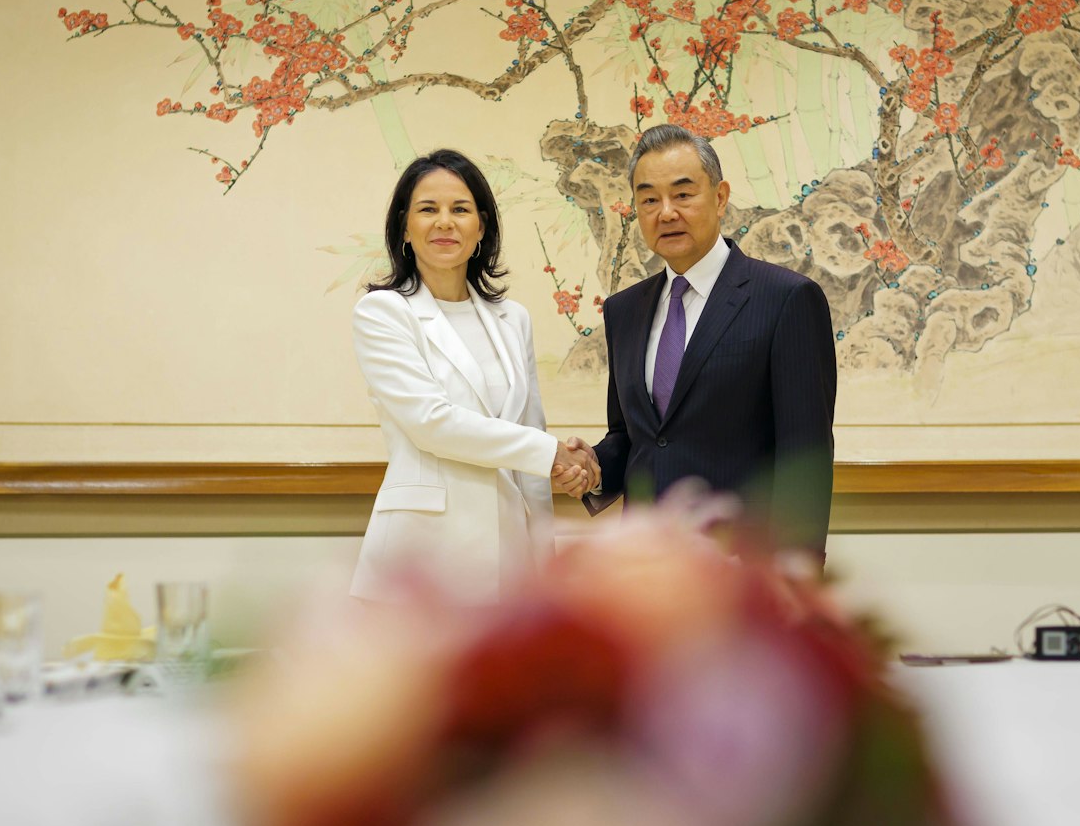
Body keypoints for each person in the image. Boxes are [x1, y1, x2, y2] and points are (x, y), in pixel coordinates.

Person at [561, 124, 838, 559]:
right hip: (644, 571)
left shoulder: (786, 299)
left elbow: (805, 462)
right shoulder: (624, 310)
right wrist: (593, 467)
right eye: (649, 199)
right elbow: (635, 438)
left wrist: (794, 588)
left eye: (683, 194)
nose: (665, 212)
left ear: (721, 196)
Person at [350, 149, 592, 603]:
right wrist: (550, 452)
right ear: (405, 227)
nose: (445, 222)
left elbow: (529, 434)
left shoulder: (512, 318)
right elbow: (431, 423)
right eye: (428, 209)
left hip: (511, 562)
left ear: (481, 227)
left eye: (460, 209)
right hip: (422, 562)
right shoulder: (383, 312)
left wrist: (544, 568)